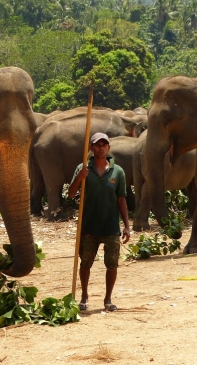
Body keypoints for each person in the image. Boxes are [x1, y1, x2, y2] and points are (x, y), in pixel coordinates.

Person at [68, 132, 131, 312]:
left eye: (104, 145)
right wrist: (80, 178)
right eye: (97, 145)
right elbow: (71, 194)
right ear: (91, 148)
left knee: (112, 264)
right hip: (89, 225)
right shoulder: (83, 168)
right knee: (85, 263)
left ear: (108, 148)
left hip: (111, 226)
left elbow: (121, 199)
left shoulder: (117, 171)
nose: (101, 148)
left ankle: (108, 298)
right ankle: (84, 296)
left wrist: (126, 226)